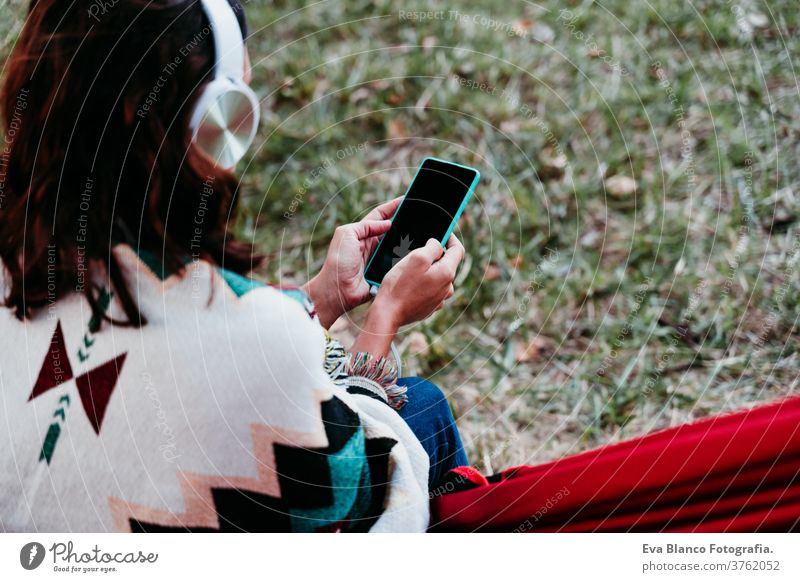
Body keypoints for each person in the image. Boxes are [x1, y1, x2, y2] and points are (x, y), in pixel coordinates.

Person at [0, 0, 467, 533]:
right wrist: (383, 320)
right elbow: (359, 506)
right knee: (422, 410)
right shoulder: (257, 336)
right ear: (210, 124)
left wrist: (320, 299)